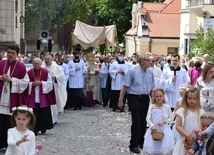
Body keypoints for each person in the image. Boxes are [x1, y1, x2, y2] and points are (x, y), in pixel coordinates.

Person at [118, 54, 155, 154]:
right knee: (137, 121)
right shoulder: (132, 71)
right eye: (148, 61)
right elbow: (125, 86)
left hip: (145, 98)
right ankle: (133, 144)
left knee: (144, 121)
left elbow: (152, 88)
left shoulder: (150, 72)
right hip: (134, 97)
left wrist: (154, 101)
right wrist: (120, 100)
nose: (150, 62)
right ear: (142, 61)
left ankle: (141, 141)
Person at [0, 45, 29, 149]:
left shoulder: (21, 66)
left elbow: (25, 82)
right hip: (1, 97)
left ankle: (10, 144)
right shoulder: (1, 63)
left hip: (12, 99)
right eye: (8, 52)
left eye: (12, 53)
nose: (10, 55)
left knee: (10, 122)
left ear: (17, 54)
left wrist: (12, 80)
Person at [173, 85, 205, 155]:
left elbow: (203, 125)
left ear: (197, 99)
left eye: (194, 98)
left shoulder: (201, 112)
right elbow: (178, 126)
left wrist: (199, 130)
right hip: (184, 140)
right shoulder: (182, 111)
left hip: (196, 141)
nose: (192, 101)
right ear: (185, 98)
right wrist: (187, 135)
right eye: (189, 98)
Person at [28, 58, 56, 135]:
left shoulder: (45, 72)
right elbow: (25, 83)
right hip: (33, 95)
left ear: (41, 64)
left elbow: (50, 83)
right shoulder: (29, 72)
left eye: (38, 63)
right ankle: (34, 129)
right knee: (34, 113)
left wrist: (41, 83)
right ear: (33, 64)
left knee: (44, 112)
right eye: (35, 63)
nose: (37, 65)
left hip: (42, 95)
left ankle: (43, 128)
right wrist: (31, 84)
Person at [143, 87, 174, 154]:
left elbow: (171, 118)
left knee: (162, 147)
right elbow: (148, 118)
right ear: (154, 97)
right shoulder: (152, 106)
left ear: (163, 96)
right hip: (154, 128)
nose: (158, 98)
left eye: (160, 96)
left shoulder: (166, 107)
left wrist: (164, 121)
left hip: (163, 129)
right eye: (156, 96)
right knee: (153, 146)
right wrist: (152, 126)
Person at [42, 54, 66, 123]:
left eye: (48, 59)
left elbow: (62, 77)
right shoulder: (42, 66)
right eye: (45, 59)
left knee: (53, 104)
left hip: (54, 88)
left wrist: (55, 77)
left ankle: (54, 119)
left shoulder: (57, 67)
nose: (46, 61)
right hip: (45, 88)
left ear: (51, 59)